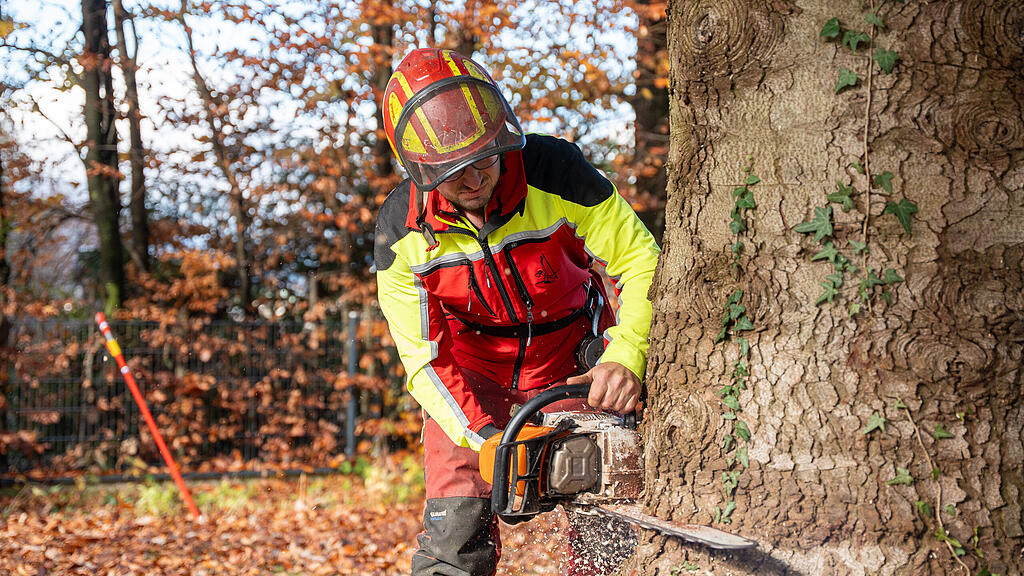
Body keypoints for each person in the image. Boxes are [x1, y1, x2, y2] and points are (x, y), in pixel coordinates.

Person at [373, 48, 660, 576]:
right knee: (455, 530)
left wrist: (626, 355)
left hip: (576, 363)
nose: (475, 179)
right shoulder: (401, 234)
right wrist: (482, 436)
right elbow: (424, 360)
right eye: (454, 172)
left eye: (485, 158)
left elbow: (641, 259)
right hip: (472, 380)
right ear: (422, 170)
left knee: (606, 525)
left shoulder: (558, 174)